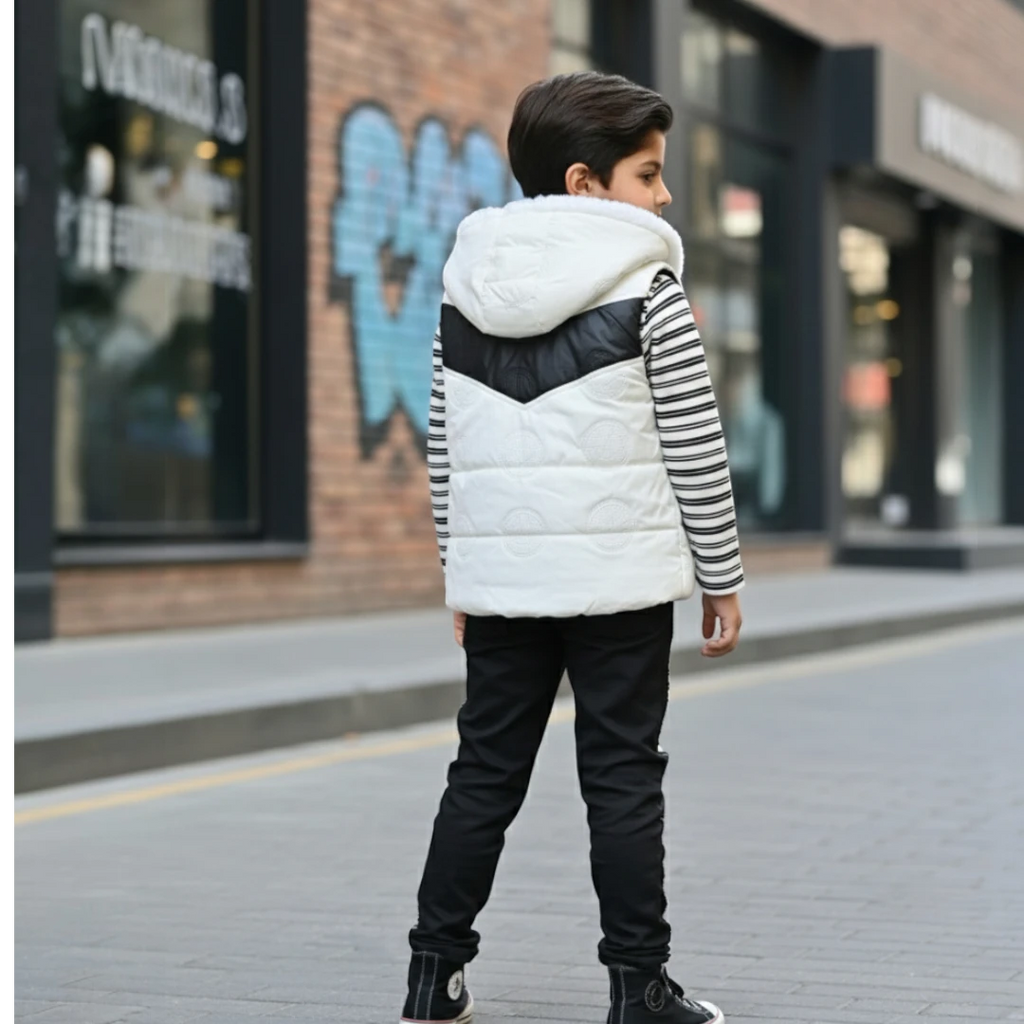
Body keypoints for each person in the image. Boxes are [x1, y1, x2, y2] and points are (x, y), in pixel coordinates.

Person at [401, 71, 744, 1024]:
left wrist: (457, 576)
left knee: (483, 770)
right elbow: (695, 442)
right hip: (621, 585)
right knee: (623, 776)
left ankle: (433, 978)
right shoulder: (652, 290)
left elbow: (449, 448)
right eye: (650, 173)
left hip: (504, 586)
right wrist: (720, 574)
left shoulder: (461, 293)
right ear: (588, 183)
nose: (664, 195)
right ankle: (639, 989)